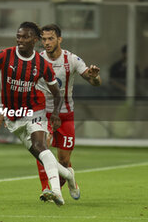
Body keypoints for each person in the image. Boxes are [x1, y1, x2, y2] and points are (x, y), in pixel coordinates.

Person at [0, 21, 79, 206]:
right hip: (14, 118)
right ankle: (69, 175)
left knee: (41, 146)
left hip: (35, 110)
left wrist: (54, 113)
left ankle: (55, 191)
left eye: (25, 37)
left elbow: (56, 93)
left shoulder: (41, 63)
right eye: (18, 36)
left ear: (35, 40)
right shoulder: (4, 55)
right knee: (41, 154)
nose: (20, 40)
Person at [35, 24, 101, 201]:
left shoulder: (72, 59)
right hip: (43, 114)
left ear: (59, 39)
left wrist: (94, 77)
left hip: (65, 115)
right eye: (44, 39)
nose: (47, 42)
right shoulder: (37, 59)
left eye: (50, 39)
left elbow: (93, 81)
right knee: (42, 150)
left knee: (63, 161)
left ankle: (70, 178)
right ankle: (48, 189)